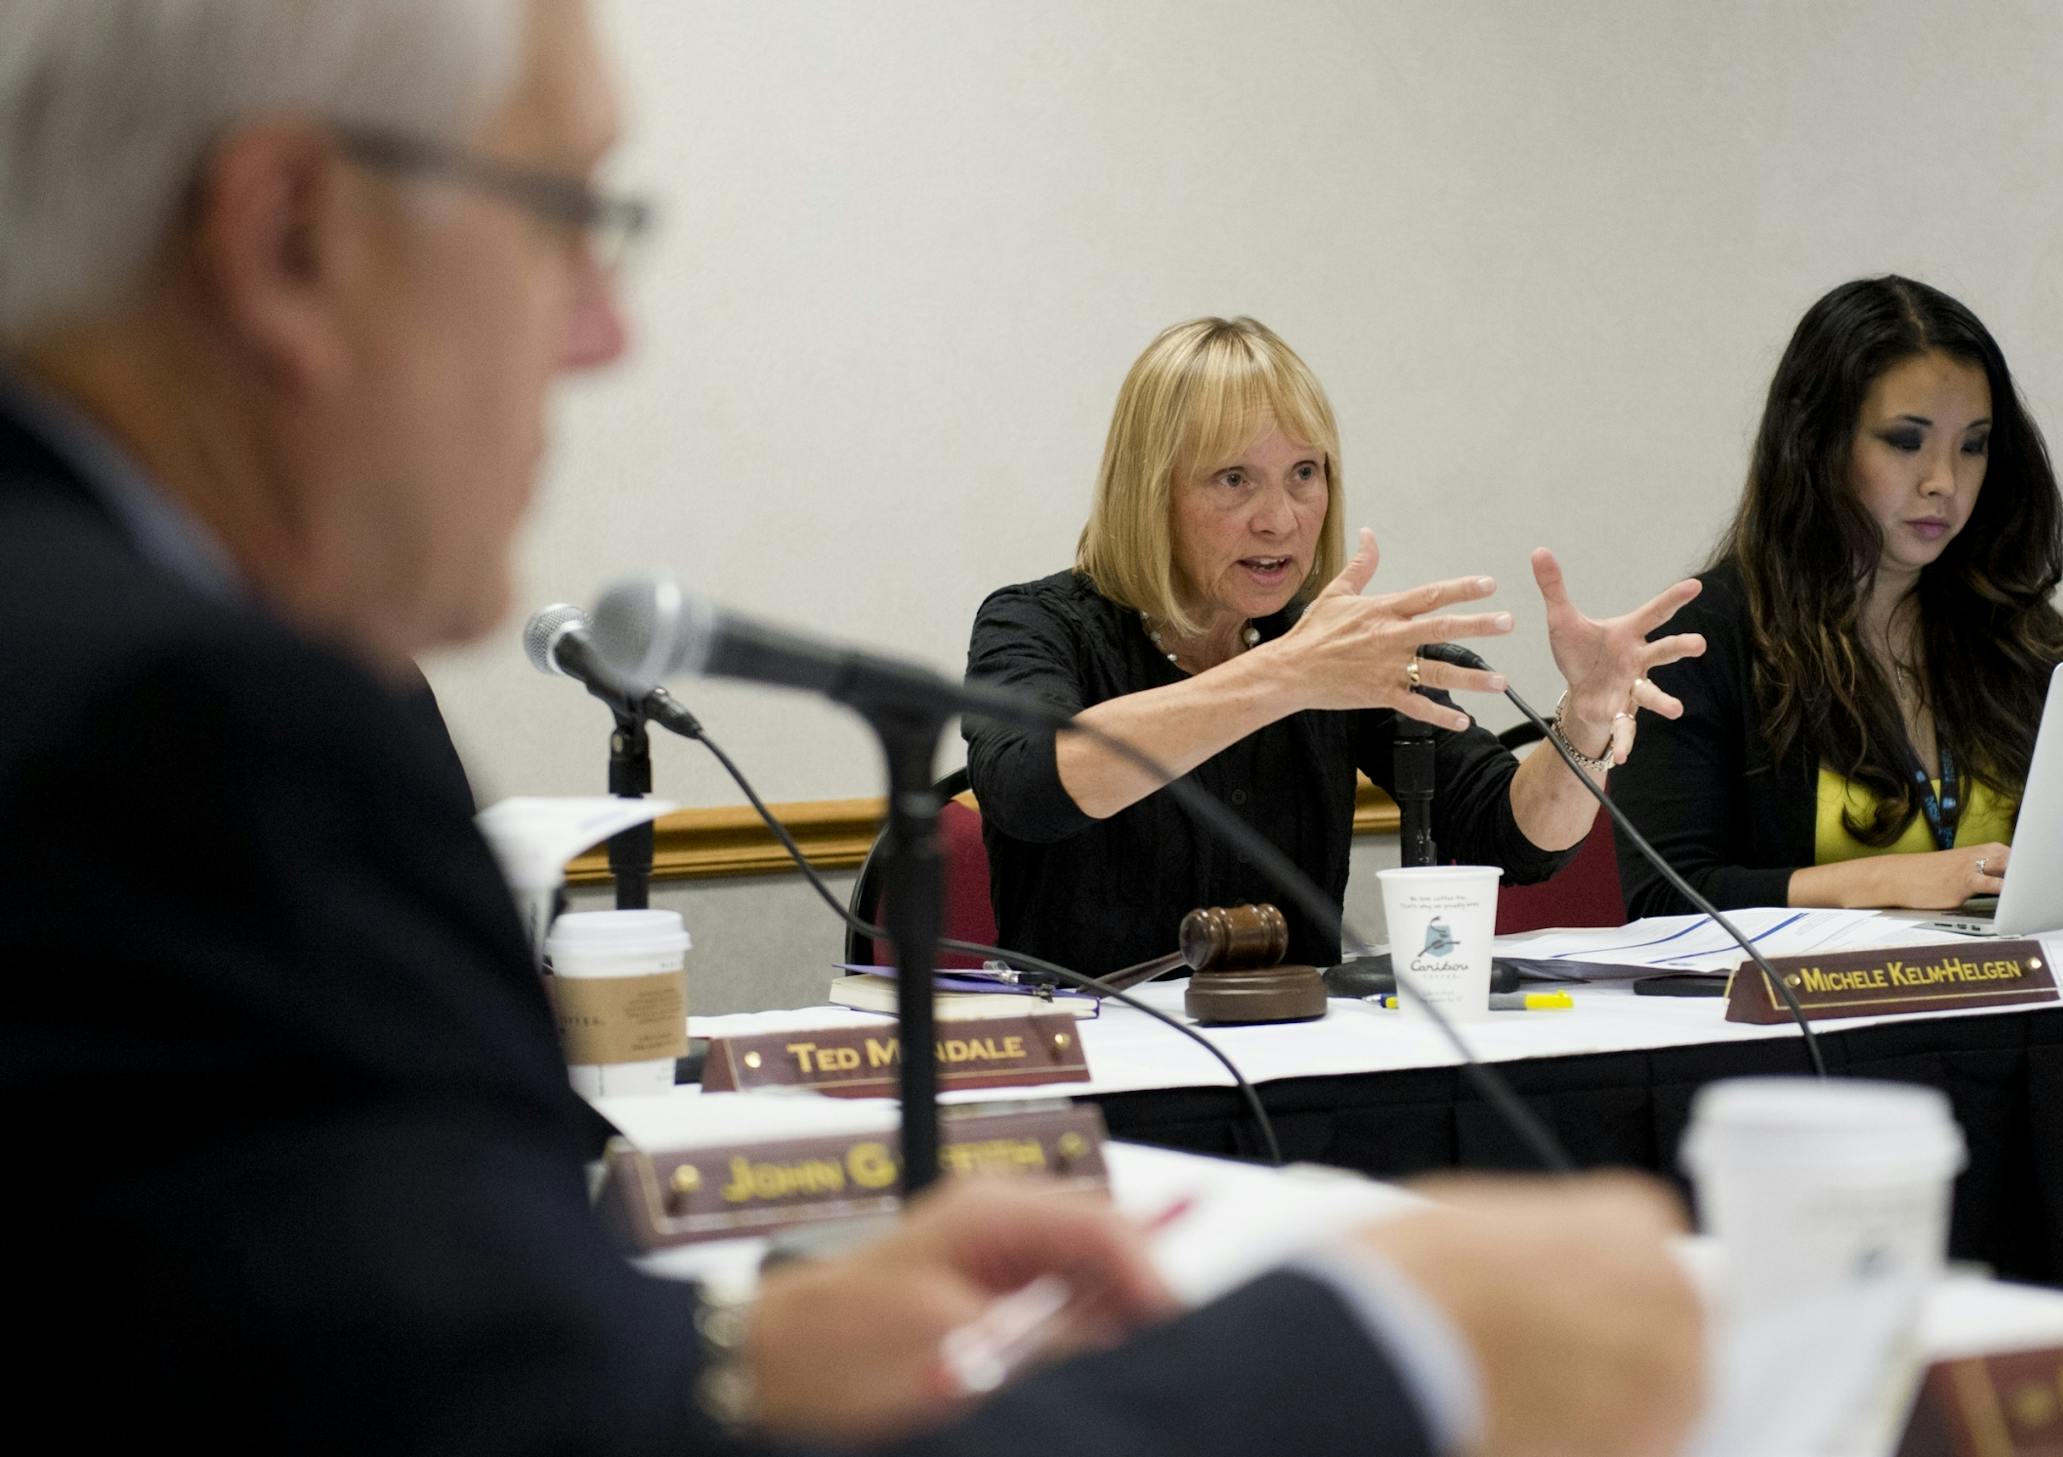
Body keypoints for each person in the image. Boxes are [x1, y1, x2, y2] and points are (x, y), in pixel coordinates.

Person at [0, 4, 1702, 1454]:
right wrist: (1375, 1341)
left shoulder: (199, 662)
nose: (605, 329)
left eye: (1303, 475)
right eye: (561, 217)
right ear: (292, 237)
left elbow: (388, 1358)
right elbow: (1031, 791)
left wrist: (742, 1352)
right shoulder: (173, 733)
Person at [964, 316, 1707, 976]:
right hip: (1095, 1071)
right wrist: (1285, 675)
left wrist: (1584, 720)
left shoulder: (1329, 645)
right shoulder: (1035, 624)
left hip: (1301, 1068)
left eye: (1304, 474)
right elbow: (1031, 789)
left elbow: (1513, 837)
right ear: (1149, 491)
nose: (1281, 519)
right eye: (1234, 479)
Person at [1611, 276, 2063, 917]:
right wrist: (1889, 883)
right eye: (1905, 442)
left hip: (2008, 994)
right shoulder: (1701, 638)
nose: (1944, 482)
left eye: (1973, 445)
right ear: (1817, 445)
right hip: (1805, 1010)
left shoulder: (2017, 631)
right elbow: (1664, 898)